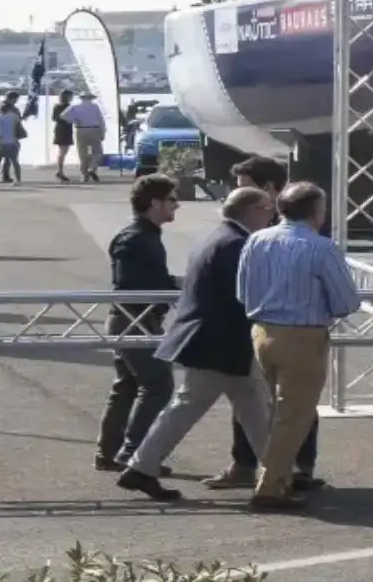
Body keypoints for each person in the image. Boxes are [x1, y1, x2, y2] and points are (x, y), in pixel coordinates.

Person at [116, 188, 279, 501]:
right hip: (220, 344)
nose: (271, 214)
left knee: (251, 406)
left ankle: (278, 473)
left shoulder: (218, 237)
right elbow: (245, 296)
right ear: (252, 211)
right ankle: (141, 467)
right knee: (201, 406)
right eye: (267, 208)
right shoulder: (237, 245)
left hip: (214, 341)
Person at [236, 182, 361, 510]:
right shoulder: (321, 248)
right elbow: (346, 301)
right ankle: (270, 486)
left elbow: (242, 292)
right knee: (294, 416)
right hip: (302, 335)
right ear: (317, 213)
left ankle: (279, 478)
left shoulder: (256, 240)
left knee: (278, 411)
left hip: (261, 331)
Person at [205, 155, 324, 492]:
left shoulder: (302, 231)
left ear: (271, 191)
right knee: (252, 402)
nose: (236, 196)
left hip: (296, 329)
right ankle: (246, 464)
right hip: (257, 328)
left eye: (245, 188)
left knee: (296, 405)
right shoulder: (249, 233)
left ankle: (299, 468)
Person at [95, 174, 181, 473]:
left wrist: (176, 285)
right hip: (135, 320)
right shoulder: (135, 238)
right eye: (172, 200)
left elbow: (150, 280)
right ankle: (135, 455)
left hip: (133, 319)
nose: (177, 206)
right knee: (158, 385)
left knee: (128, 385)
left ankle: (111, 452)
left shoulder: (144, 235)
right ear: (154, 203)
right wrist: (174, 290)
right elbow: (134, 284)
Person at [66, 90, 109, 182]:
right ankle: (92, 169)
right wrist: (103, 132)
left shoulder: (75, 107)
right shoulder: (95, 107)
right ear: (91, 98)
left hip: (81, 129)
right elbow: (101, 120)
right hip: (94, 129)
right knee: (97, 152)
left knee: (82, 153)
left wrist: (75, 120)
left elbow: (64, 116)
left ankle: (84, 174)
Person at [0, 91, 24, 185]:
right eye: (15, 99)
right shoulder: (12, 110)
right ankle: (5, 176)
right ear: (11, 98)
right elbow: (18, 122)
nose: (16, 101)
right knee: (9, 158)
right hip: (7, 137)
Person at [51, 88, 75, 182]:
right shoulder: (68, 106)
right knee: (63, 152)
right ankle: (60, 171)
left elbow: (54, 118)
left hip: (60, 129)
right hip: (64, 129)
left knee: (62, 152)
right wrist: (68, 120)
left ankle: (60, 170)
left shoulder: (57, 106)